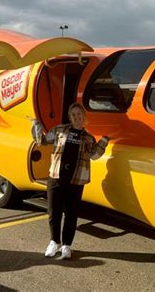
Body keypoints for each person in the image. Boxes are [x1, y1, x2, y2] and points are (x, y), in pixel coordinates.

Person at [31, 102, 109, 259]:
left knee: (71, 214)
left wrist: (105, 139)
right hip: (56, 176)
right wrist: (36, 124)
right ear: (70, 117)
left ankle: (66, 245)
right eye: (73, 115)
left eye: (79, 114)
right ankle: (54, 242)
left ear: (83, 117)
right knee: (54, 212)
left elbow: (94, 155)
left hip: (76, 179)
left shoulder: (88, 138)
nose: (77, 117)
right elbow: (43, 141)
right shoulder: (59, 130)